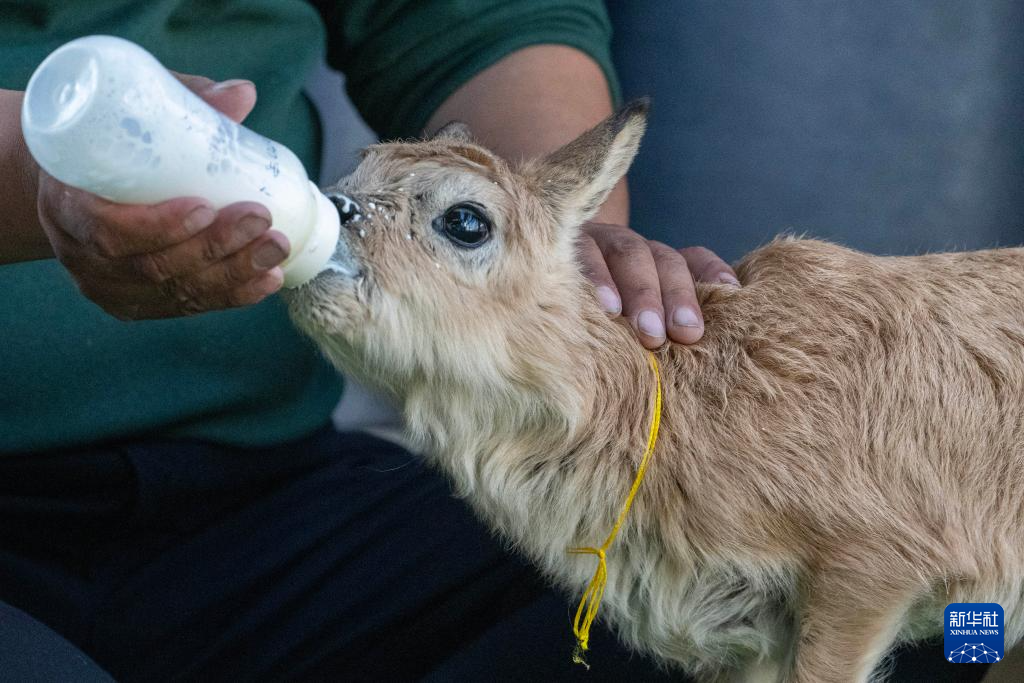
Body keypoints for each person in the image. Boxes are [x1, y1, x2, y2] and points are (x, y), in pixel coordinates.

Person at [0, 1, 735, 680]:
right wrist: (41, 176)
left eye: (464, 226)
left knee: (697, 615)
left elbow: (477, 20)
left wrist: (544, 239)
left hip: (265, 498)